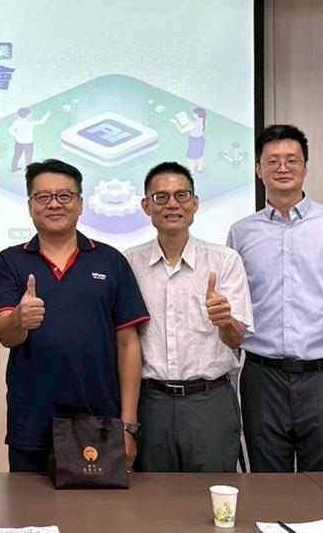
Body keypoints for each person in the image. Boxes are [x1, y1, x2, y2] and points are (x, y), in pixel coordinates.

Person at [226, 124, 323, 472]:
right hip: (262, 377)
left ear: (305, 167)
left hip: (322, 377)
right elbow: (234, 309)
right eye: (272, 161)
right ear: (258, 170)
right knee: (269, 485)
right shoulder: (241, 232)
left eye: (292, 160)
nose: (282, 168)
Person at [0, 158, 149, 472]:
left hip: (99, 421)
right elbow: (6, 336)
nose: (54, 204)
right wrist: (20, 319)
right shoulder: (10, 261)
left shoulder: (110, 261)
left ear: (80, 204)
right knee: (28, 504)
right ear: (30, 205)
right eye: (43, 197)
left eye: (64, 196)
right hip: (31, 422)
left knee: (93, 505)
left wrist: (128, 425)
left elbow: (128, 344)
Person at [124, 161, 251, 472]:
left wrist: (225, 321)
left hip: (209, 401)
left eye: (182, 195)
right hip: (150, 403)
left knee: (213, 494)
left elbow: (237, 339)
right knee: (151, 495)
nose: (172, 204)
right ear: (146, 206)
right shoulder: (128, 264)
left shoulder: (224, 260)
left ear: (195, 203)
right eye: (161, 197)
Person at [7, 107, 50, 173]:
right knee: (28, 157)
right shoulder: (29, 123)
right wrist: (48, 114)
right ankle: (29, 171)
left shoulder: (17, 121)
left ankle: (14, 168)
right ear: (27, 115)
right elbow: (41, 121)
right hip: (28, 143)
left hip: (19, 142)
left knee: (17, 156)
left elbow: (10, 131)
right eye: (29, 113)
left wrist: (17, 136)